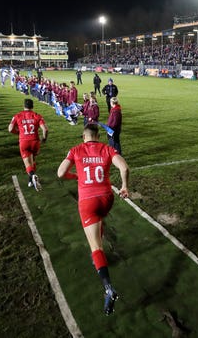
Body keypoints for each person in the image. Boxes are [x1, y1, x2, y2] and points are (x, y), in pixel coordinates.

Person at [56, 123, 130, 315]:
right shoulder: (107, 148)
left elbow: (60, 173)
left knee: (95, 247)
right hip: (107, 199)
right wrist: (124, 186)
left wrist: (76, 177)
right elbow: (124, 166)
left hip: (88, 202)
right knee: (99, 222)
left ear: (84, 137)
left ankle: (108, 288)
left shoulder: (76, 150)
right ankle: (100, 257)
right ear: (97, 136)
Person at [8, 98, 48, 191]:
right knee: (32, 160)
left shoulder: (18, 116)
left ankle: (32, 176)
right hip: (35, 142)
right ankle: (30, 181)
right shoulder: (37, 116)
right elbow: (45, 129)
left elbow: (10, 129)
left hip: (24, 142)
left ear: (24, 106)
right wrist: (44, 138)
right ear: (32, 106)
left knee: (27, 164)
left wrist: (17, 132)